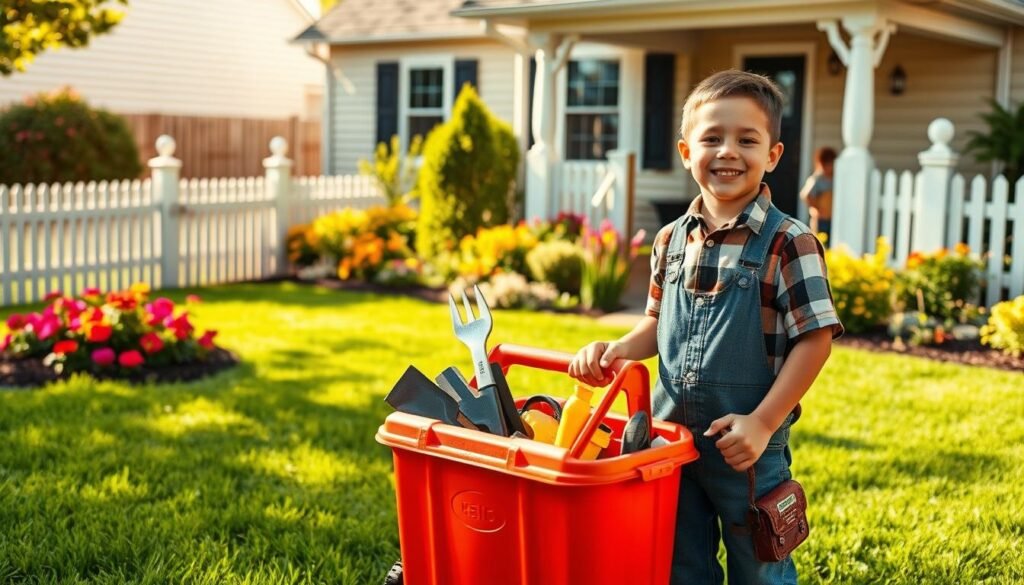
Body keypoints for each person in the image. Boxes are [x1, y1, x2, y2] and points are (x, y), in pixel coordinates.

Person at [568, 70, 843, 585]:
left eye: (747, 140)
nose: (727, 152)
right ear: (685, 151)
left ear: (774, 155)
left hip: (747, 447)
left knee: (758, 564)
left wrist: (762, 424)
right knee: (677, 561)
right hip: (669, 443)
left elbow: (816, 339)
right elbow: (658, 322)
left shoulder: (790, 242)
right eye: (712, 138)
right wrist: (617, 349)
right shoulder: (671, 239)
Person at [800, 147, 837, 245]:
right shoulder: (817, 178)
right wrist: (817, 209)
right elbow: (806, 195)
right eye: (827, 164)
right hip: (821, 219)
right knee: (820, 242)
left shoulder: (836, 178)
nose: (830, 167)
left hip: (833, 217)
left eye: (831, 164)